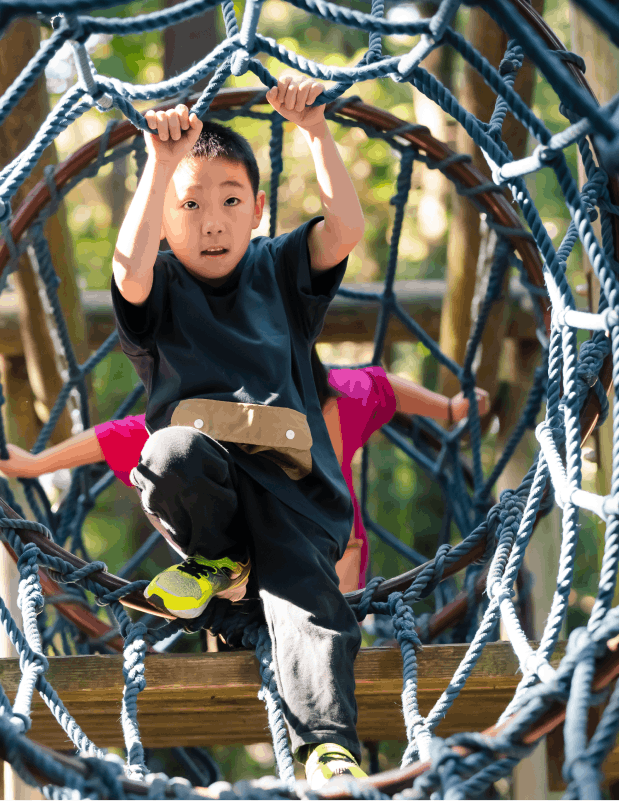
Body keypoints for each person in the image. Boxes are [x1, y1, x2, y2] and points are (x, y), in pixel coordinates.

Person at [104, 75, 369, 787]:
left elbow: (344, 227)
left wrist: (315, 130)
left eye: (228, 202)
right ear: (163, 218)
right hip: (210, 505)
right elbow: (124, 269)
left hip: (291, 498)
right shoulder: (158, 286)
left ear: (256, 209)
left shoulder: (278, 268)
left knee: (306, 605)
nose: (211, 221)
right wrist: (160, 162)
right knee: (169, 452)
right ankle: (219, 563)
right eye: (188, 206)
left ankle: (327, 745)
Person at [0, 349, 490, 594]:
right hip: (251, 548)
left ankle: (335, 632)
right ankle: (236, 616)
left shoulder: (348, 398)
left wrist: (450, 408)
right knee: (232, 569)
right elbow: (119, 435)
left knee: (338, 572)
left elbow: (386, 385)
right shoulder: (231, 417)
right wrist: (37, 464)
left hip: (332, 539)